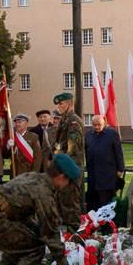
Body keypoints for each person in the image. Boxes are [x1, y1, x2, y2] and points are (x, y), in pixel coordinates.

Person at [52, 92, 85, 229]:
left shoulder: (73, 122)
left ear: (69, 104)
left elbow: (73, 150)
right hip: (63, 168)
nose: (59, 106)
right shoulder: (65, 120)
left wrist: (64, 170)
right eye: (58, 104)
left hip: (70, 169)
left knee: (71, 205)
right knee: (63, 203)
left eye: (61, 103)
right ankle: (68, 240)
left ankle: (75, 238)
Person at [85, 115, 125, 210]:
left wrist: (120, 168)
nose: (97, 127)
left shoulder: (111, 134)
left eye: (99, 125)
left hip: (108, 172)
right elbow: (87, 151)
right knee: (94, 197)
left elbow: (118, 151)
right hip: (93, 172)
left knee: (107, 197)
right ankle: (94, 219)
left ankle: (107, 221)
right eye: (94, 125)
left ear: (104, 123)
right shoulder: (88, 135)